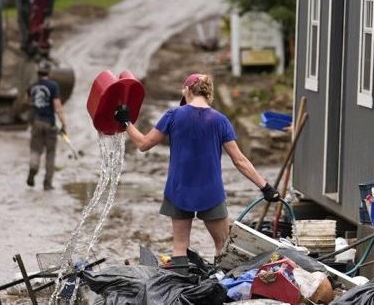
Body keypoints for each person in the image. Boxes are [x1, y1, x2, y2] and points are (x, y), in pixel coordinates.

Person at [114, 73, 279, 272]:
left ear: (188, 90)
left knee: (180, 247)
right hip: (211, 192)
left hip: (179, 189)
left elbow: (143, 144)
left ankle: (180, 292)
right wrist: (265, 186)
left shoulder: (173, 115)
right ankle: (221, 289)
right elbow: (240, 161)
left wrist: (126, 123)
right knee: (223, 246)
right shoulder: (221, 121)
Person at [26, 61, 67, 190]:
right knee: (50, 154)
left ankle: (33, 168)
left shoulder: (31, 87)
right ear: (49, 73)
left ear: (38, 73)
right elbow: (58, 107)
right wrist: (64, 123)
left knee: (35, 150)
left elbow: (28, 103)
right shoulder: (53, 86)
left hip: (36, 123)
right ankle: (47, 184)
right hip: (50, 124)